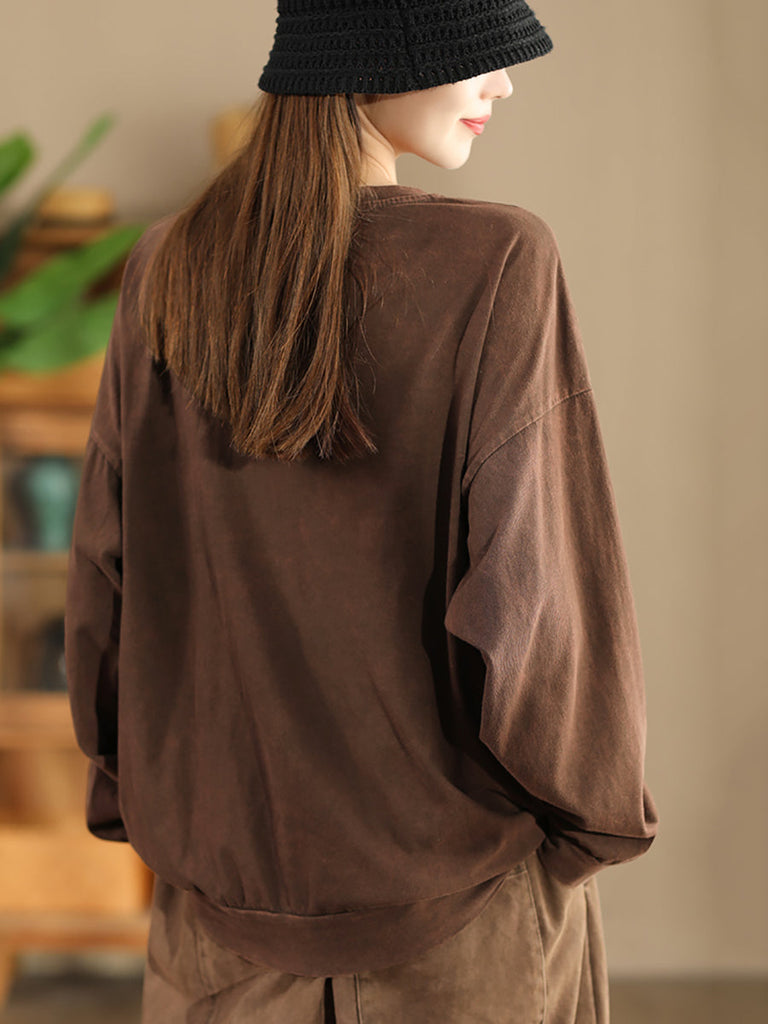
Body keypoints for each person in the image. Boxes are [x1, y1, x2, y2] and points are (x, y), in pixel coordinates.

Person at [63, 1, 660, 1021]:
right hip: (465, 909)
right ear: (383, 54)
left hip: (218, 916)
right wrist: (594, 819)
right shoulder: (499, 261)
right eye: (479, 53)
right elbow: (538, 605)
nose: (503, 82)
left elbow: (105, 579)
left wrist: (148, 800)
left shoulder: (168, 264)